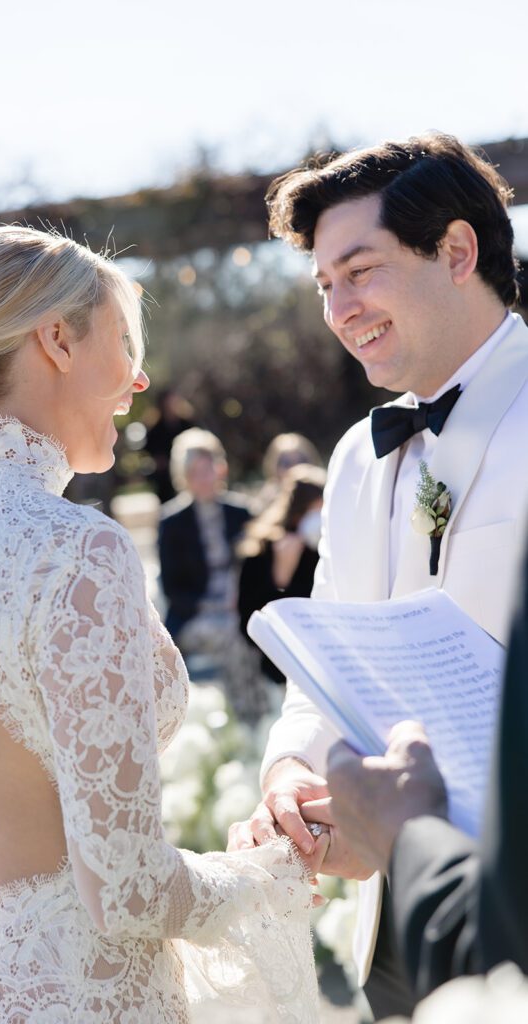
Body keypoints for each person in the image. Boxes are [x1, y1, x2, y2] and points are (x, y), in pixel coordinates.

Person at [0, 225, 325, 1024]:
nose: (137, 378)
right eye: (122, 342)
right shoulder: (73, 551)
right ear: (58, 340)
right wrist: (270, 871)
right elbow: (129, 891)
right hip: (86, 996)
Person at [228, 133, 528, 1020]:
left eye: (359, 271)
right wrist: (291, 772)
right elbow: (325, 656)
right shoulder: (357, 456)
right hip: (387, 927)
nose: (339, 308)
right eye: (324, 285)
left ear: (457, 251)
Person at [322, 521, 528, 1001]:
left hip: (483, 920)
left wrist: (410, 836)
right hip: (381, 921)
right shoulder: (349, 474)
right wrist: (291, 764)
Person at [158, 427, 272, 723]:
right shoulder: (172, 523)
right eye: (195, 472)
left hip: (239, 606)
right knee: (235, 635)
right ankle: (249, 717)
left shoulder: (241, 512)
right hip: (196, 616)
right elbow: (173, 589)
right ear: (184, 476)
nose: (203, 478)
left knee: (253, 628)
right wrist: (216, 606)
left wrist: (241, 599)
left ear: (220, 469)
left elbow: (259, 570)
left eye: (208, 469)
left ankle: (261, 714)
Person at [238, 463, 326, 683]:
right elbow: (249, 621)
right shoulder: (263, 550)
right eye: (314, 512)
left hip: (324, 655)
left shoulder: (328, 549)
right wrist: (280, 577)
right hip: (280, 665)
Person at [144, 387, 196, 502]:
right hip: (165, 474)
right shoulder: (155, 427)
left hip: (185, 468)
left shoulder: (186, 423)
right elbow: (149, 447)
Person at [254, 433, 324, 513]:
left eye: (301, 461)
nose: (295, 468)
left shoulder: (324, 493)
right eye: (286, 463)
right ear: (275, 467)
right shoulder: (266, 500)